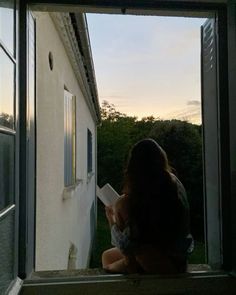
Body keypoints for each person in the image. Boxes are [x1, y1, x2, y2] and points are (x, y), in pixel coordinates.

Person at [102, 138, 193, 274]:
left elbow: (127, 252)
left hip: (152, 264)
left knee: (107, 267)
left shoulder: (126, 203)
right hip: (178, 260)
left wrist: (112, 221)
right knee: (108, 255)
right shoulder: (175, 185)